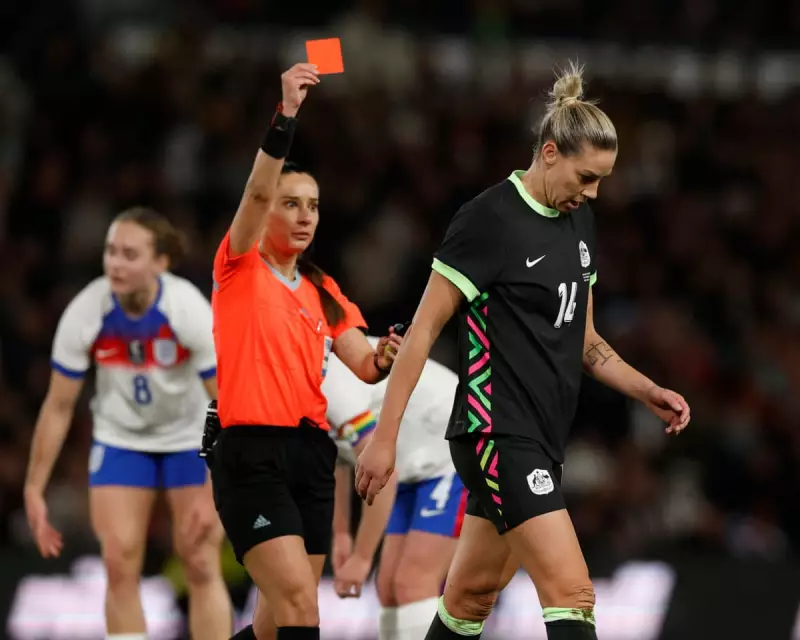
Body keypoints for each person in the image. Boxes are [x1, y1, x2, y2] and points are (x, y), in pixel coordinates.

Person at [355, 62, 692, 640]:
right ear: (551, 152)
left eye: (602, 181)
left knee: (470, 596)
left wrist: (647, 390)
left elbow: (584, 341)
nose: (592, 194)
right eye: (586, 177)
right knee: (572, 592)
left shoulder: (579, 223)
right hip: (495, 431)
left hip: (542, 434)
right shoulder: (488, 220)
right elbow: (422, 332)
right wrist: (383, 438)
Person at [209, 63, 403, 640]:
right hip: (251, 453)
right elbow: (257, 186)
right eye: (290, 204)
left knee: (278, 620)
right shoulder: (237, 267)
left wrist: (387, 355)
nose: (304, 216)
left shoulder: (323, 289)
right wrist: (286, 114)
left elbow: (365, 366)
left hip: (312, 457)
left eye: (313, 206)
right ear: (266, 210)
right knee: (299, 607)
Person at [23, 207, 233, 640]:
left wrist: (217, 484)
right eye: (111, 252)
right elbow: (59, 406)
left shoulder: (187, 309)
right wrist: (33, 487)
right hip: (121, 440)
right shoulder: (87, 311)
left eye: (130, 254)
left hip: (190, 439)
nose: (116, 263)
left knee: (199, 560)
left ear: (161, 262)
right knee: (118, 563)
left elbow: (228, 406)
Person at [251, 333, 463, 640]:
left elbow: (379, 474)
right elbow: (339, 455)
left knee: (412, 583)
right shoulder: (303, 372)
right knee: (389, 587)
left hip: (451, 449)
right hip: (409, 461)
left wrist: (362, 557)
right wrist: (340, 535)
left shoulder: (329, 383)